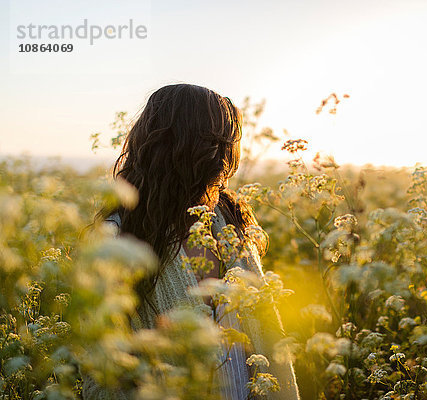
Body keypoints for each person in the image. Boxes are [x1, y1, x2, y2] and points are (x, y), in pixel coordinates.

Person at [84, 84, 300, 399]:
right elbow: (100, 377)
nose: (224, 158)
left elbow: (270, 344)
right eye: (216, 142)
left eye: (225, 144)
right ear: (181, 148)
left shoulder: (230, 223)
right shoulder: (117, 241)